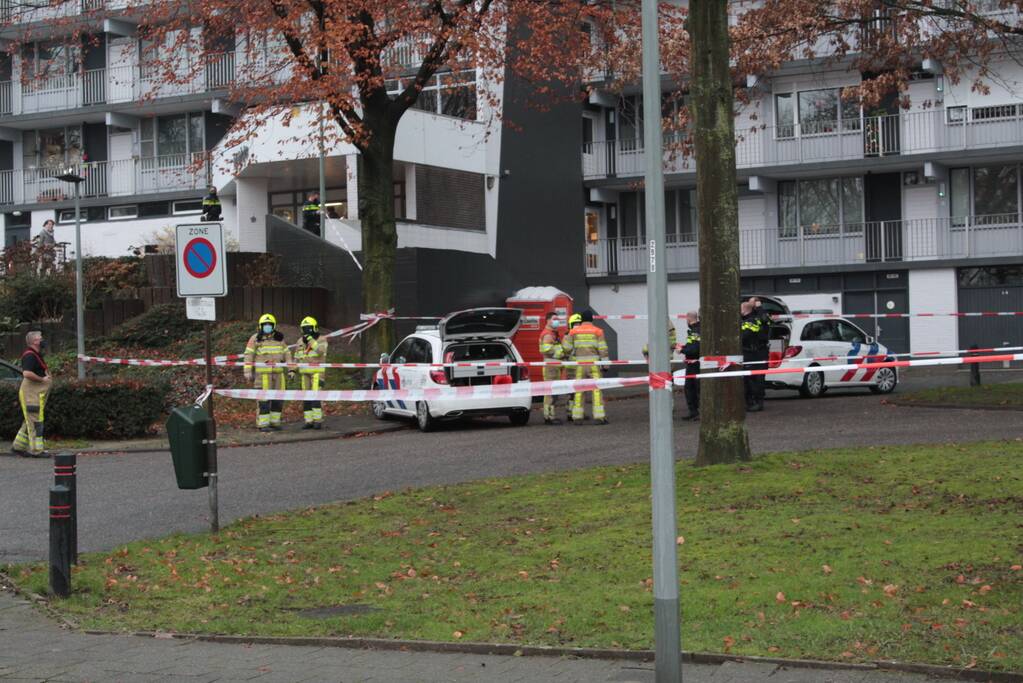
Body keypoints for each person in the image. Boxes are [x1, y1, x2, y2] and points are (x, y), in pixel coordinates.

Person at [243, 313, 292, 431]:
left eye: (269, 324)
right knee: (263, 400)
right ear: (261, 326)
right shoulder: (255, 338)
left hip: (278, 375)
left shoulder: (279, 339)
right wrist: (247, 371)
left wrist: (291, 369)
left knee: (278, 399)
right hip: (262, 376)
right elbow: (249, 355)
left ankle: (275, 422)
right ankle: (263, 424)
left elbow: (287, 354)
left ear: (273, 326)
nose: (267, 326)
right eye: (265, 324)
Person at [562, 310, 609, 425]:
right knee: (596, 390)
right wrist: (605, 365)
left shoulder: (573, 331)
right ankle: (599, 417)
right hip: (594, 365)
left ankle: (577, 417)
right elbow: (603, 349)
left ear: (582, 320)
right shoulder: (598, 331)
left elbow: (566, 348)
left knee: (579, 390)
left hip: (580, 366)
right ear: (592, 319)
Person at [12, 331, 51, 458]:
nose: (42, 340)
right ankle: (36, 450)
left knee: (30, 421)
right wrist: (42, 379)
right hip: (31, 395)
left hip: (35, 394)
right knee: (35, 423)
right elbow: (27, 373)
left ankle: (18, 447)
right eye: (40, 338)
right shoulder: (29, 355)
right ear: (35, 341)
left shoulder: (35, 354)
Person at [294, 316, 328, 430]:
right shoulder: (300, 341)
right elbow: (296, 357)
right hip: (304, 373)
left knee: (316, 396)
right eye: (304, 328)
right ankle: (308, 421)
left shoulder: (321, 339)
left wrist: (311, 340)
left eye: (309, 328)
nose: (306, 331)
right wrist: (292, 370)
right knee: (306, 397)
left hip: (317, 373)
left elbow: (320, 351)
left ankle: (317, 421)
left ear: (314, 328)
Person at [538, 311, 569, 425]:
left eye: (557, 319)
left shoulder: (553, 333)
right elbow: (546, 349)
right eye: (554, 319)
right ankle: (549, 417)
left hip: (554, 366)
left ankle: (550, 415)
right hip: (551, 366)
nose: (557, 321)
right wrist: (561, 352)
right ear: (548, 320)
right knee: (550, 392)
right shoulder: (547, 334)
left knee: (553, 392)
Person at [741, 298, 771, 412]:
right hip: (748, 352)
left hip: (758, 352)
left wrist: (759, 307)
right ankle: (750, 402)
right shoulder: (749, 318)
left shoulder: (759, 317)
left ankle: (758, 402)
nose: (750, 303)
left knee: (758, 379)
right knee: (748, 379)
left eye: (752, 302)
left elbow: (766, 320)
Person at [680, 311, 701, 421]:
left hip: (695, 365)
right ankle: (693, 412)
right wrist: (684, 348)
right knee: (689, 388)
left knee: (695, 388)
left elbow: (694, 349)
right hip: (691, 364)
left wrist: (682, 350)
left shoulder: (695, 331)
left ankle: (698, 412)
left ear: (688, 318)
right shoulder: (694, 330)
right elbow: (692, 346)